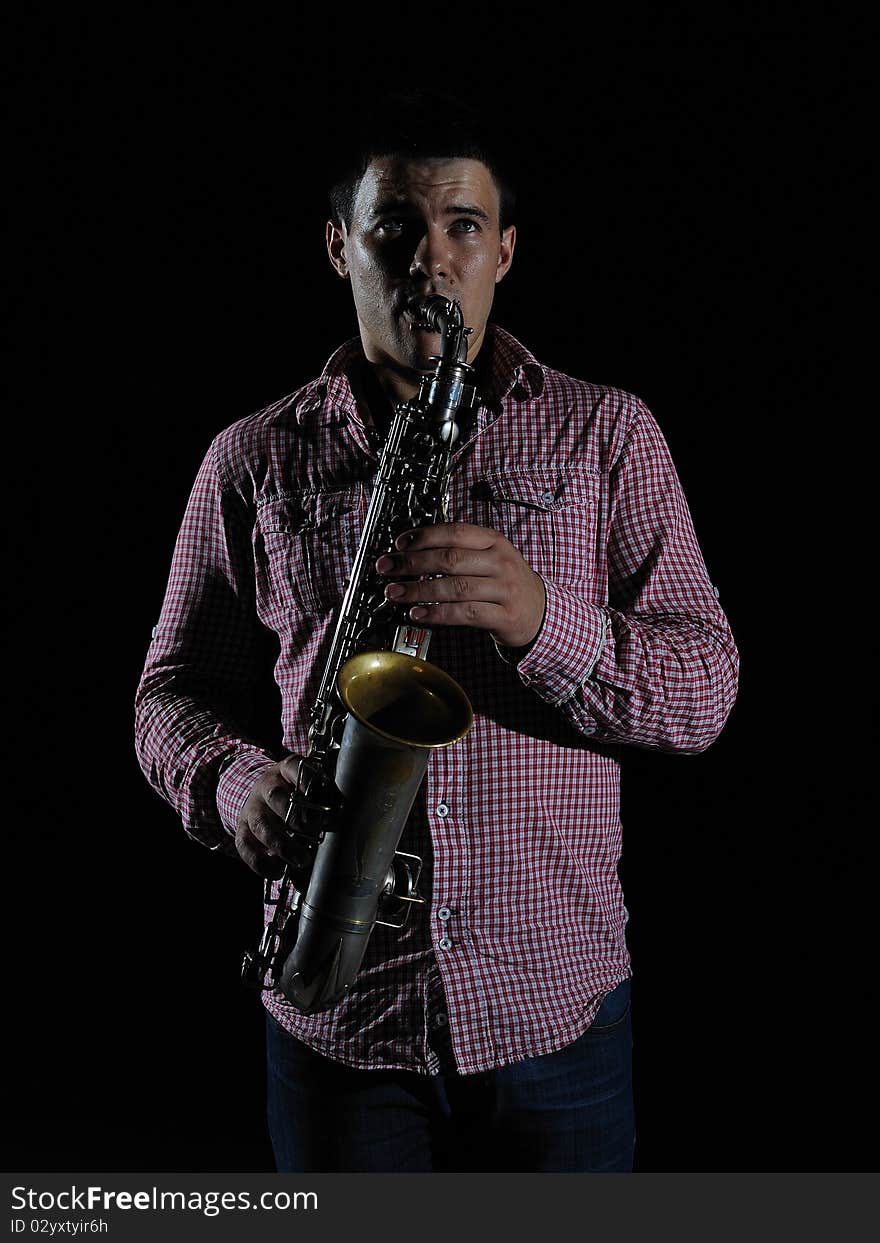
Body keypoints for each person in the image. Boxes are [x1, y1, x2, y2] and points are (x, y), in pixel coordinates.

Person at [134, 92, 739, 1173]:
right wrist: (232, 784)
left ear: (503, 251)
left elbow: (703, 691)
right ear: (339, 247)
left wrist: (543, 623)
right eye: (394, 228)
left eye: (462, 226)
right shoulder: (252, 457)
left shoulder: (608, 432)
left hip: (557, 1008)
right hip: (341, 1014)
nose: (429, 259)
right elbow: (167, 692)